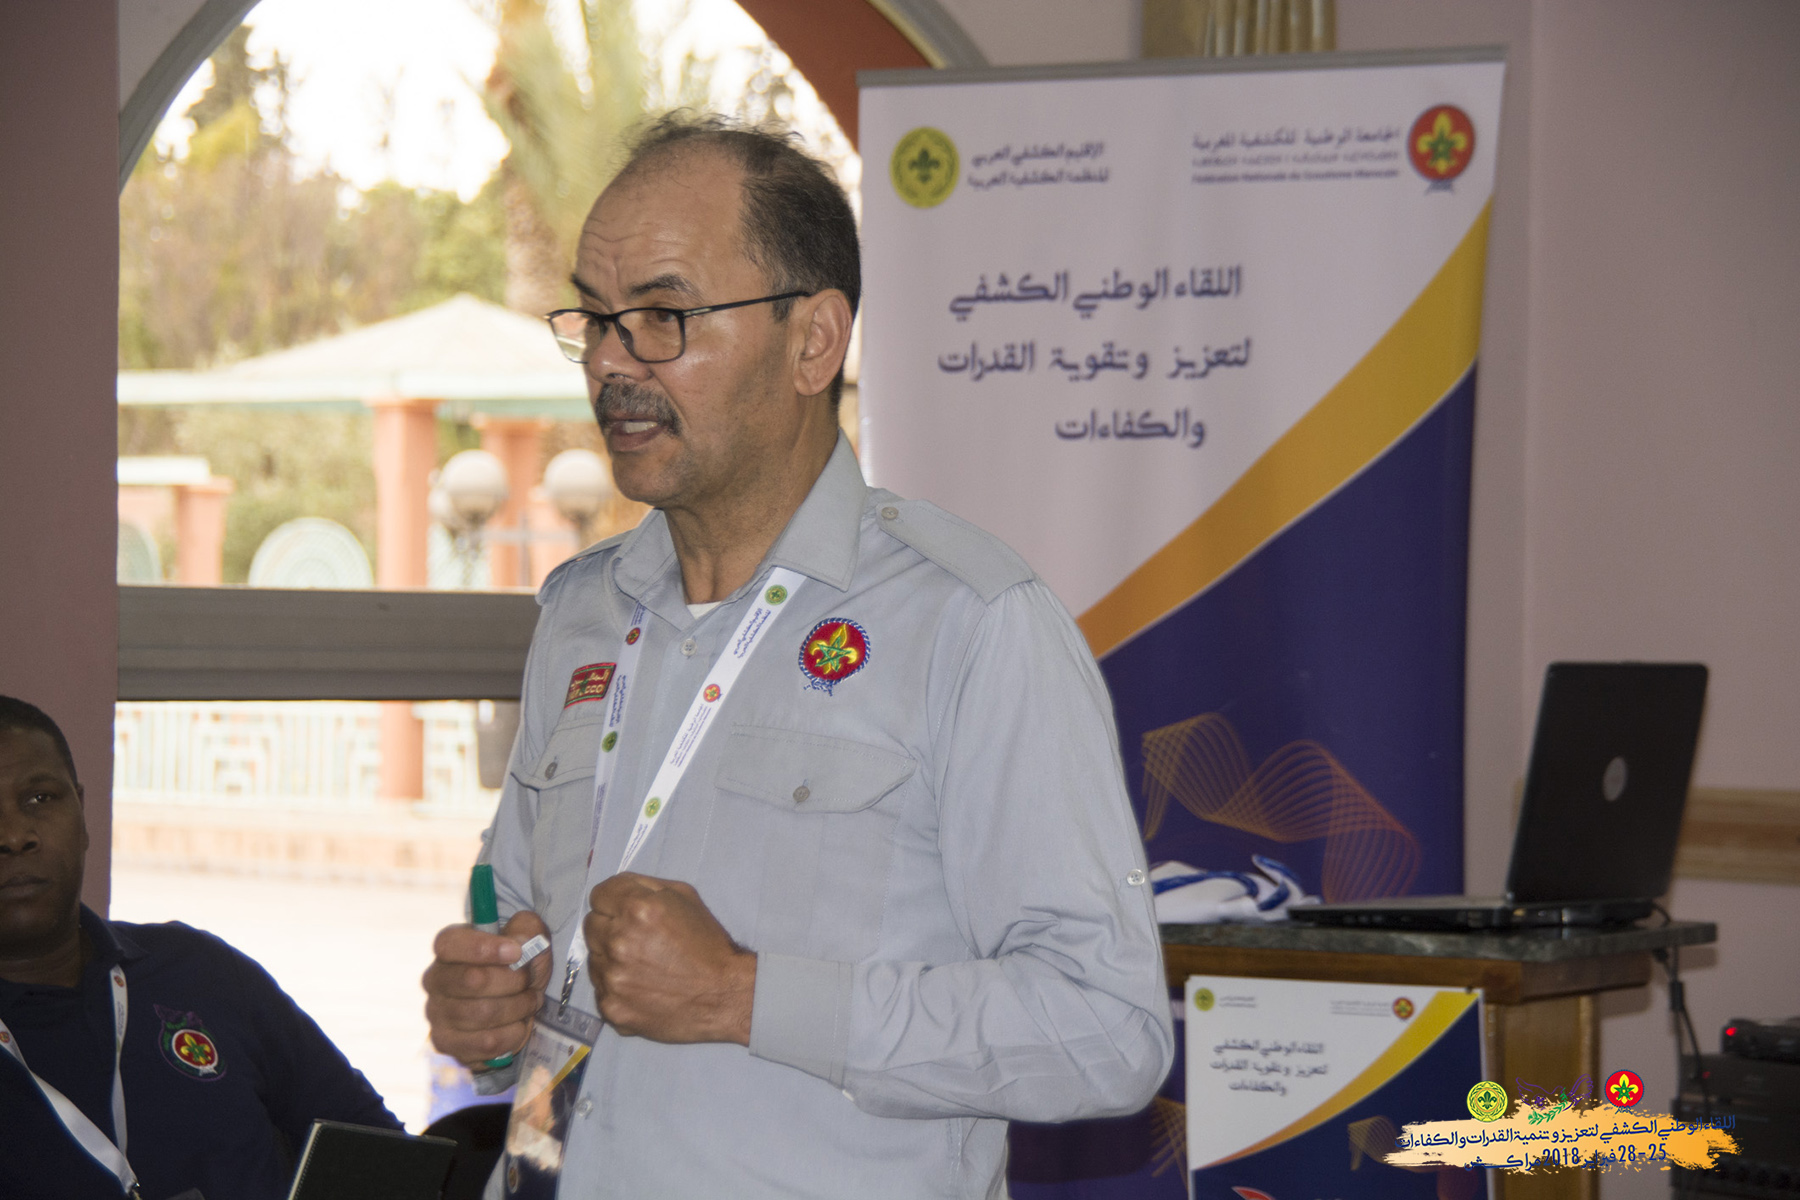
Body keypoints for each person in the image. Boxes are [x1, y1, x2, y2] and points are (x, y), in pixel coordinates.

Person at [422, 114, 1174, 1199]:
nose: (612, 362)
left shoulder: (970, 624)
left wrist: (743, 995)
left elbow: (1106, 1031)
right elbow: (529, 939)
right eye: (595, 317)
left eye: (665, 316)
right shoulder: (583, 613)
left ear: (814, 342)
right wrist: (489, 1008)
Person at [0, 696, 402, 1200]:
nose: (15, 835)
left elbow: (381, 1154)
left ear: (81, 814)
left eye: (40, 798)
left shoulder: (200, 971)